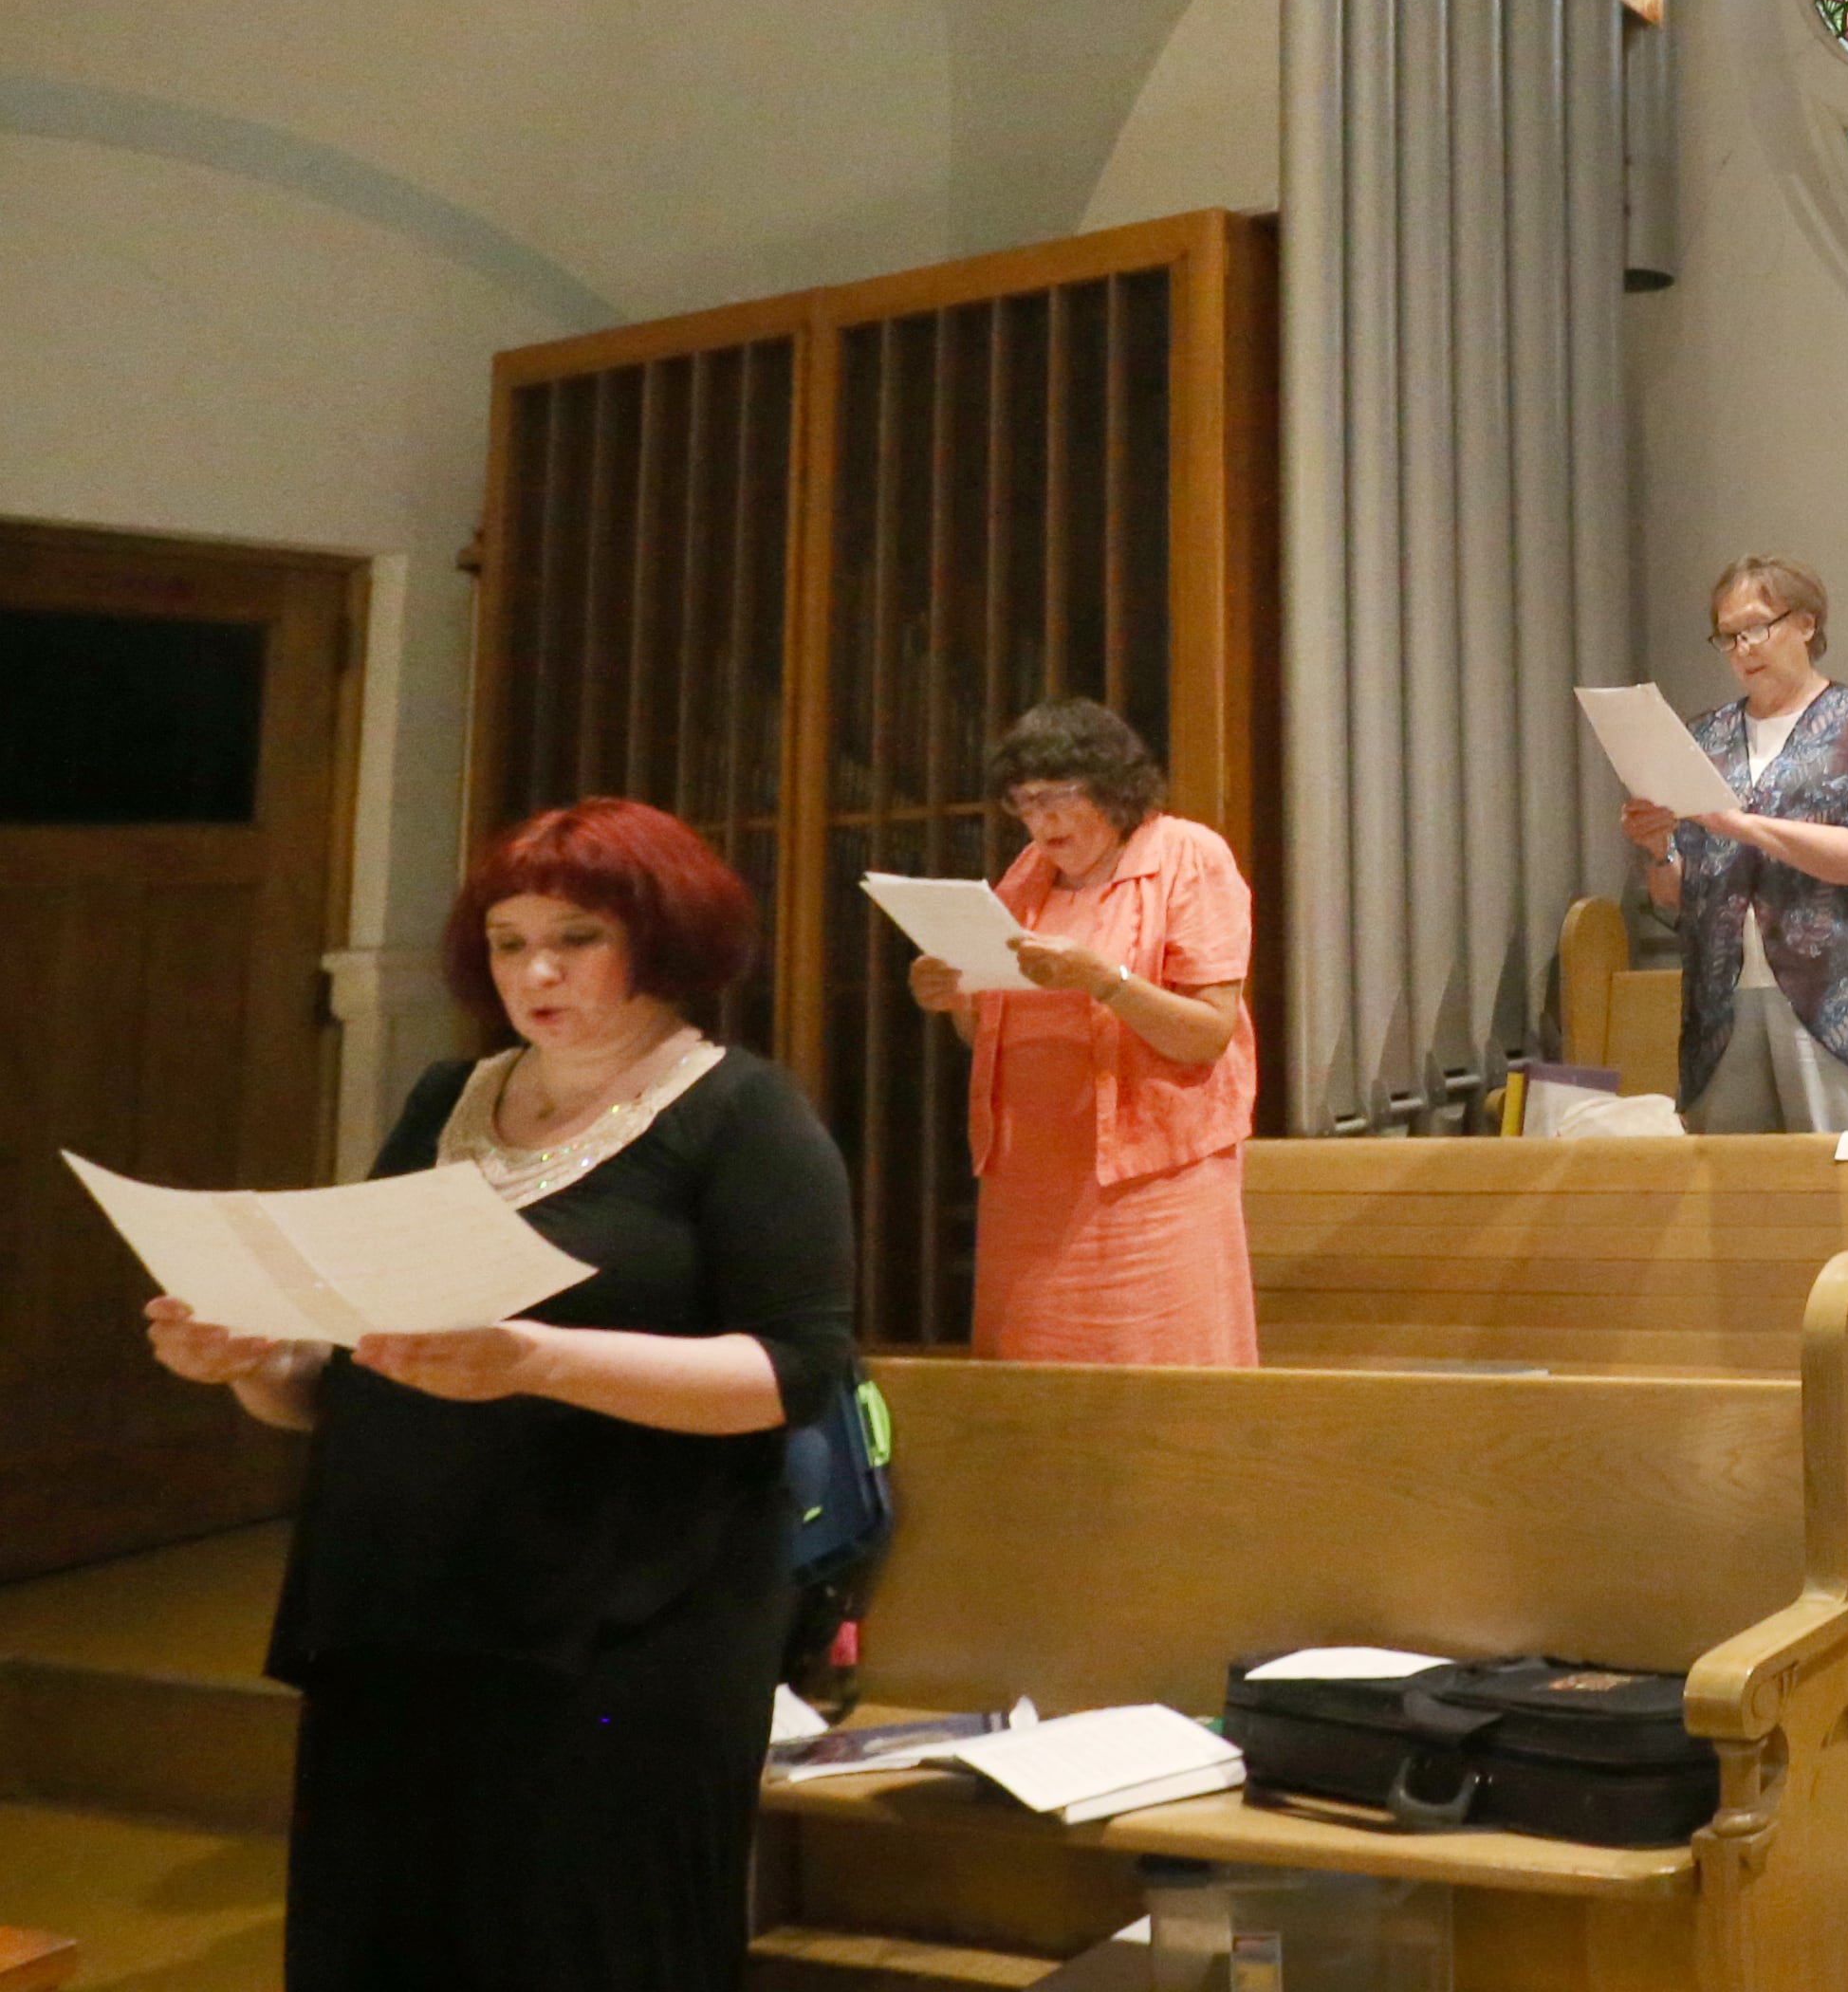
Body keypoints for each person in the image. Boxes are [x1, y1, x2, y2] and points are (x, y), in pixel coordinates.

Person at [143, 797, 856, 1992]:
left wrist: (536, 1359)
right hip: (402, 1604)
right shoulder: (444, 1101)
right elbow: (350, 1376)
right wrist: (256, 1362)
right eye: (509, 941)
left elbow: (794, 1375)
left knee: (578, 1947)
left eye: (575, 937)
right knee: (387, 1940)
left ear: (664, 938)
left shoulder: (743, 1113)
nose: (536, 970)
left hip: (625, 1624)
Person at [908, 700, 1260, 1365]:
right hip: (1027, 1180)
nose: (1041, 820)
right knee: (1034, 1391)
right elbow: (998, 1028)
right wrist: (958, 1001)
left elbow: (1209, 1034)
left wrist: (1107, 981)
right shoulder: (1026, 875)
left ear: (1113, 786)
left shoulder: (1188, 856)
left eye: (1058, 798)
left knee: (1156, 1376)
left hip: (1150, 1182)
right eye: (1024, 802)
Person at [1621, 555, 1848, 1131]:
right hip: (1724, 1000)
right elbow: (1672, 900)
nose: (1744, 648)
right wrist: (1659, 848)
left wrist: (1736, 822)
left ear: (1806, 624)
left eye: (1758, 628)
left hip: (1837, 994)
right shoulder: (1704, 735)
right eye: (1729, 636)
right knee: (1740, 1199)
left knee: (1844, 1190)